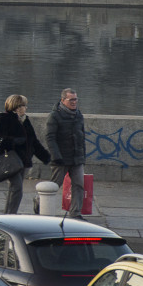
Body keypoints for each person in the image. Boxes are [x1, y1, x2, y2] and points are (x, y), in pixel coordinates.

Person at [0, 94, 51, 213]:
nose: (26, 108)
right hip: (11, 160)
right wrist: (14, 141)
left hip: (23, 160)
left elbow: (34, 141)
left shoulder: (25, 120)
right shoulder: (4, 118)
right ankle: (11, 215)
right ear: (17, 107)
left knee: (14, 189)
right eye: (24, 105)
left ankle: (7, 215)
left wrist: (46, 157)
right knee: (17, 188)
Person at [45, 88, 87, 218]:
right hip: (61, 158)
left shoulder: (78, 114)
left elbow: (81, 135)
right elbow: (50, 137)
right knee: (54, 186)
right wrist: (56, 156)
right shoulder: (54, 116)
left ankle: (75, 213)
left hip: (77, 158)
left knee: (79, 185)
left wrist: (82, 155)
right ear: (63, 100)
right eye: (71, 100)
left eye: (76, 99)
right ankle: (39, 201)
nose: (74, 102)